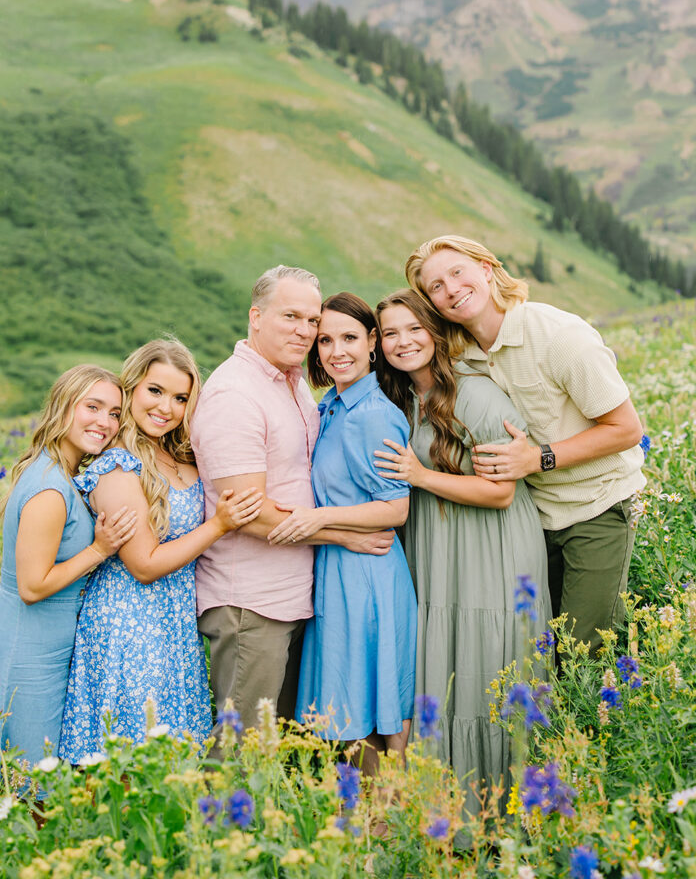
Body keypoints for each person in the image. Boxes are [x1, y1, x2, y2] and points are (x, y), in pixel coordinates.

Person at [406, 235, 645, 657]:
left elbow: (626, 429)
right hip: (533, 519)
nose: (451, 289)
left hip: (596, 507)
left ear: (487, 267)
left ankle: (591, 725)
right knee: (535, 649)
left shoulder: (559, 335)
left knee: (581, 653)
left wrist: (537, 458)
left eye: (457, 272)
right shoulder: (461, 356)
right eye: (435, 287)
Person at [190, 266, 395, 734]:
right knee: (242, 745)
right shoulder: (234, 394)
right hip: (251, 603)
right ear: (256, 316)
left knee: (281, 743)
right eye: (291, 317)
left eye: (311, 320)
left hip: (294, 594)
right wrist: (345, 535)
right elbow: (249, 512)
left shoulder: (292, 381)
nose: (305, 331)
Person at [374, 289, 549, 810]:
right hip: (437, 542)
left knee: (482, 664)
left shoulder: (478, 396)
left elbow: (499, 492)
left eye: (413, 328)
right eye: (390, 333)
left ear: (435, 331)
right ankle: (445, 811)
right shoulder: (404, 396)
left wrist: (420, 476)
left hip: (490, 548)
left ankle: (503, 812)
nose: (403, 341)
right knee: (444, 665)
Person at [59, 339, 262, 759]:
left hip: (172, 626)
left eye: (180, 397)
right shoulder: (118, 465)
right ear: (132, 388)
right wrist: (219, 525)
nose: (166, 407)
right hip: (129, 626)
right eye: (155, 391)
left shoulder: (175, 455)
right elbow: (144, 565)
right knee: (134, 761)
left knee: (173, 759)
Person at [270, 292, 417, 773]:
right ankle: (363, 814)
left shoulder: (372, 414)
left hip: (368, 572)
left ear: (372, 342)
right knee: (349, 697)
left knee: (367, 696)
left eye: (350, 338)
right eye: (325, 340)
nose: (337, 351)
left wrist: (320, 521)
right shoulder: (331, 405)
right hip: (338, 565)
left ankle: (390, 809)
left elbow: (396, 508)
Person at [0, 365, 137, 771]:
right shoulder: (49, 488)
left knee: (30, 788)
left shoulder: (59, 472)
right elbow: (32, 586)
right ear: (63, 407)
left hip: (43, 651)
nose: (105, 422)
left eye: (115, 413)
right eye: (92, 407)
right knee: (28, 793)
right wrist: (100, 549)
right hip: (26, 657)